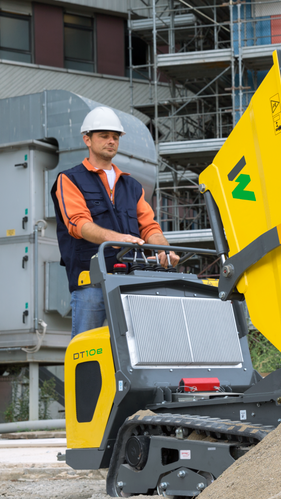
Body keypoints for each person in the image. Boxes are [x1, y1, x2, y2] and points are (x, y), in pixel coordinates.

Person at [51, 106, 179, 337]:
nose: (111, 141)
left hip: (132, 279)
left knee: (136, 346)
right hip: (90, 281)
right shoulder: (69, 179)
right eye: (104, 136)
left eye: (115, 137)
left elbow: (149, 226)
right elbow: (78, 224)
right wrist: (118, 239)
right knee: (86, 346)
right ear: (87, 140)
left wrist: (164, 249)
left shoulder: (132, 186)